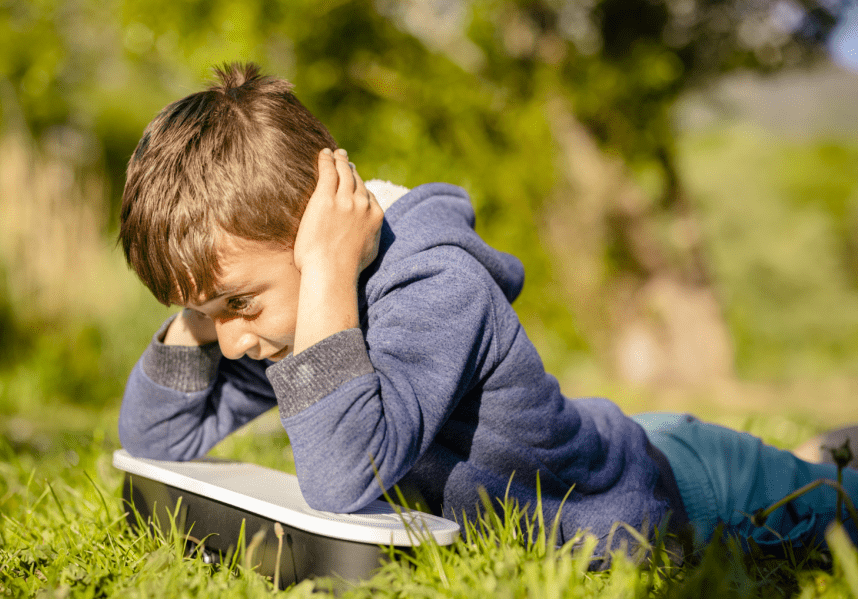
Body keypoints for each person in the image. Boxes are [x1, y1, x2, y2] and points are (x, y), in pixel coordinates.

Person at [117, 61, 857, 556]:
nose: (231, 338)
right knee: (805, 467)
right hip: (620, 439)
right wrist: (197, 310)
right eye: (210, 314)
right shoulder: (280, 328)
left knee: (834, 507)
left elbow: (343, 475)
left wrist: (325, 275)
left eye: (236, 302)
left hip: (673, 487)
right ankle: (823, 449)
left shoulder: (433, 286)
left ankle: (829, 461)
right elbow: (153, 441)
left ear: (320, 233)